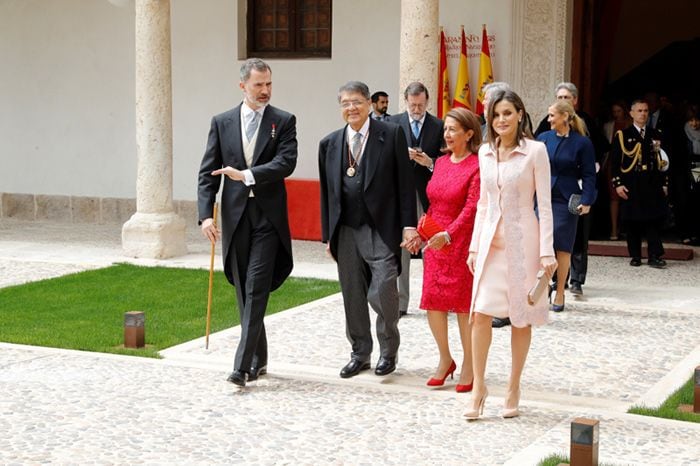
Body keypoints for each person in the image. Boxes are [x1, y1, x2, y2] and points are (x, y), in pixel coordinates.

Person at [197, 58, 298, 387]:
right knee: (243, 288)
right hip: (235, 215)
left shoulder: (283, 121)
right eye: (259, 85)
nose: (265, 90)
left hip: (269, 217)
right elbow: (207, 172)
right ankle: (259, 357)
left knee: (256, 286)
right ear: (243, 86)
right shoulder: (222, 122)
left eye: (269, 84)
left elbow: (286, 162)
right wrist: (203, 216)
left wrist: (248, 175)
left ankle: (241, 366)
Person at [465, 89, 557, 420]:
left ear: (520, 114)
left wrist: (547, 252)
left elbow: (544, 205)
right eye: (495, 115)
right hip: (491, 244)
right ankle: (479, 388)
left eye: (507, 113)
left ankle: (513, 386)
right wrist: (475, 245)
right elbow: (483, 204)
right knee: (480, 315)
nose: (501, 120)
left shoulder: (536, 151)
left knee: (521, 317)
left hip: (525, 243)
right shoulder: (485, 152)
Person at [318, 81, 419, 379]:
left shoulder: (391, 135)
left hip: (380, 227)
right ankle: (360, 352)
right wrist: (329, 236)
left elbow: (405, 184)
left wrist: (408, 226)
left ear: (368, 103)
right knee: (351, 292)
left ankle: (388, 350)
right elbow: (327, 194)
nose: (352, 108)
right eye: (346, 103)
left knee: (385, 288)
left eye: (357, 102)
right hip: (346, 229)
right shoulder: (330, 143)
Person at [419, 107, 481, 392]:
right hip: (435, 243)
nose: (447, 133)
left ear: (469, 134)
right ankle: (445, 359)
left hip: (460, 242)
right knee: (433, 302)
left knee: (460, 305)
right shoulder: (441, 162)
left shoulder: (477, 165)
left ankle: (470, 362)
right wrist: (423, 233)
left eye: (453, 129)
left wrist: (449, 234)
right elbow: (432, 202)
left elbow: (471, 208)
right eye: (446, 129)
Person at [535, 82, 607, 297]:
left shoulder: (582, 142)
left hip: (567, 200)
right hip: (543, 197)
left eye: (551, 116)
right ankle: (544, 286)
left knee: (562, 245)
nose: (548, 120)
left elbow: (588, 174)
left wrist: (587, 200)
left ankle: (560, 291)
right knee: (541, 242)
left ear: (565, 117)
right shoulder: (542, 139)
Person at [389, 82, 444, 317]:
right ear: (406, 102)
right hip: (400, 193)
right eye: (413, 105)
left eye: (421, 105)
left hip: (429, 193)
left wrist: (429, 162)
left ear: (427, 102)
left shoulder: (439, 126)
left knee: (434, 246)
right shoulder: (392, 123)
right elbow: (384, 159)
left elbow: (447, 161)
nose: (417, 109)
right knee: (402, 246)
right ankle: (400, 303)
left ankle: (437, 298)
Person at [610, 99, 669, 268]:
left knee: (653, 221)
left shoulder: (655, 134)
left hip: (652, 183)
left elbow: (662, 161)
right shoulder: (623, 135)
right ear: (631, 113)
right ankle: (635, 255)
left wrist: (664, 183)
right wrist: (618, 184)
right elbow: (615, 164)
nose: (643, 114)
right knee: (632, 221)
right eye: (639, 111)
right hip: (632, 183)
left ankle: (654, 255)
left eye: (645, 111)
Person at [479, 81, 514, 329]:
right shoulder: (482, 134)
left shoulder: (523, 140)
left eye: (489, 104)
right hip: (487, 208)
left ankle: (508, 308)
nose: (486, 108)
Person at [602, 100, 632, 240]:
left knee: (629, 197)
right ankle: (614, 230)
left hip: (629, 165)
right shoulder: (608, 126)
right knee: (614, 197)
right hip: (612, 164)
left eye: (619, 111)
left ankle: (627, 229)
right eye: (614, 111)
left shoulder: (631, 125)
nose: (616, 114)